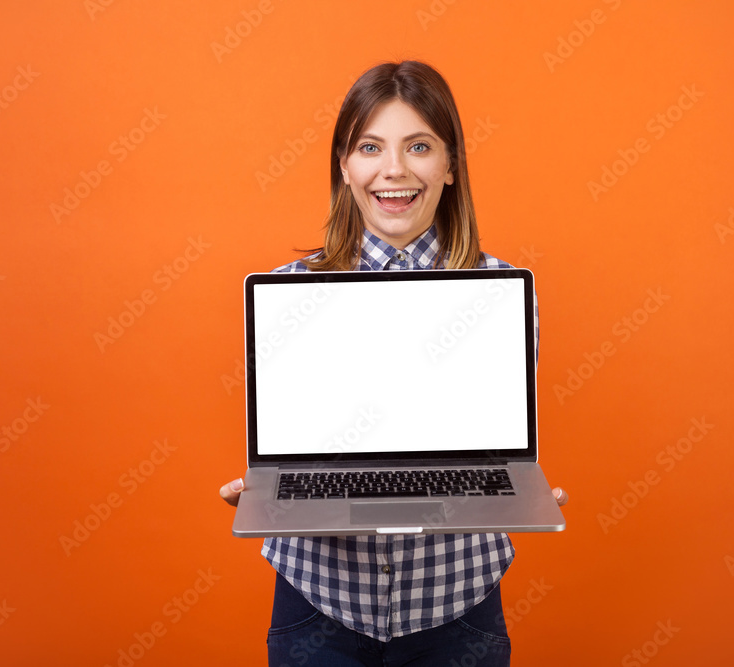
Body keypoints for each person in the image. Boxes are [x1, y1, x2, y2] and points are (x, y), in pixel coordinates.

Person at [219, 60, 568, 666]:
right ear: (345, 167)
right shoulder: (288, 291)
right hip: (318, 602)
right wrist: (267, 488)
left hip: (459, 603)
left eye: (419, 146)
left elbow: (492, 445)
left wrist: (518, 487)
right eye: (371, 147)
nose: (395, 170)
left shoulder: (500, 290)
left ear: (451, 164)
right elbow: (292, 439)